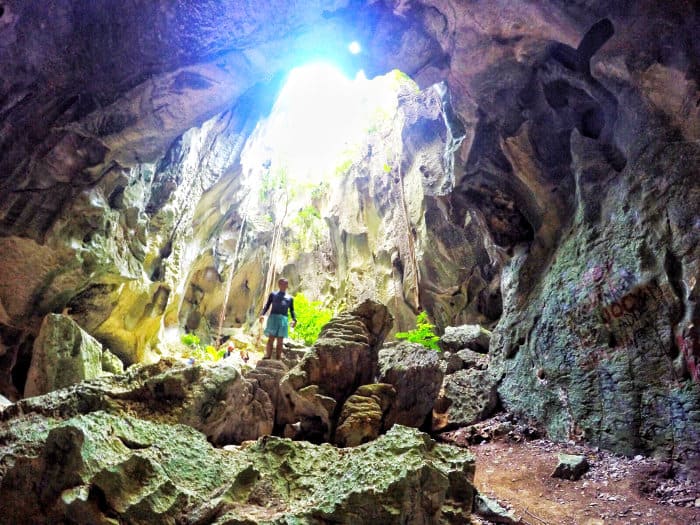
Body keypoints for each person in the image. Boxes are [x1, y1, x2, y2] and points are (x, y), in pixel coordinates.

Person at [259, 278, 297, 359]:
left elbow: (292, 310)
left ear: (287, 286)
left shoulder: (290, 298)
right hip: (273, 318)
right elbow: (267, 305)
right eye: (282, 284)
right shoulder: (273, 294)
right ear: (279, 285)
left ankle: (278, 358)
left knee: (280, 341)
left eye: (285, 284)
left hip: (284, 319)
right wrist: (262, 314)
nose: (284, 285)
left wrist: (294, 319)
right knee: (271, 338)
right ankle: (268, 356)